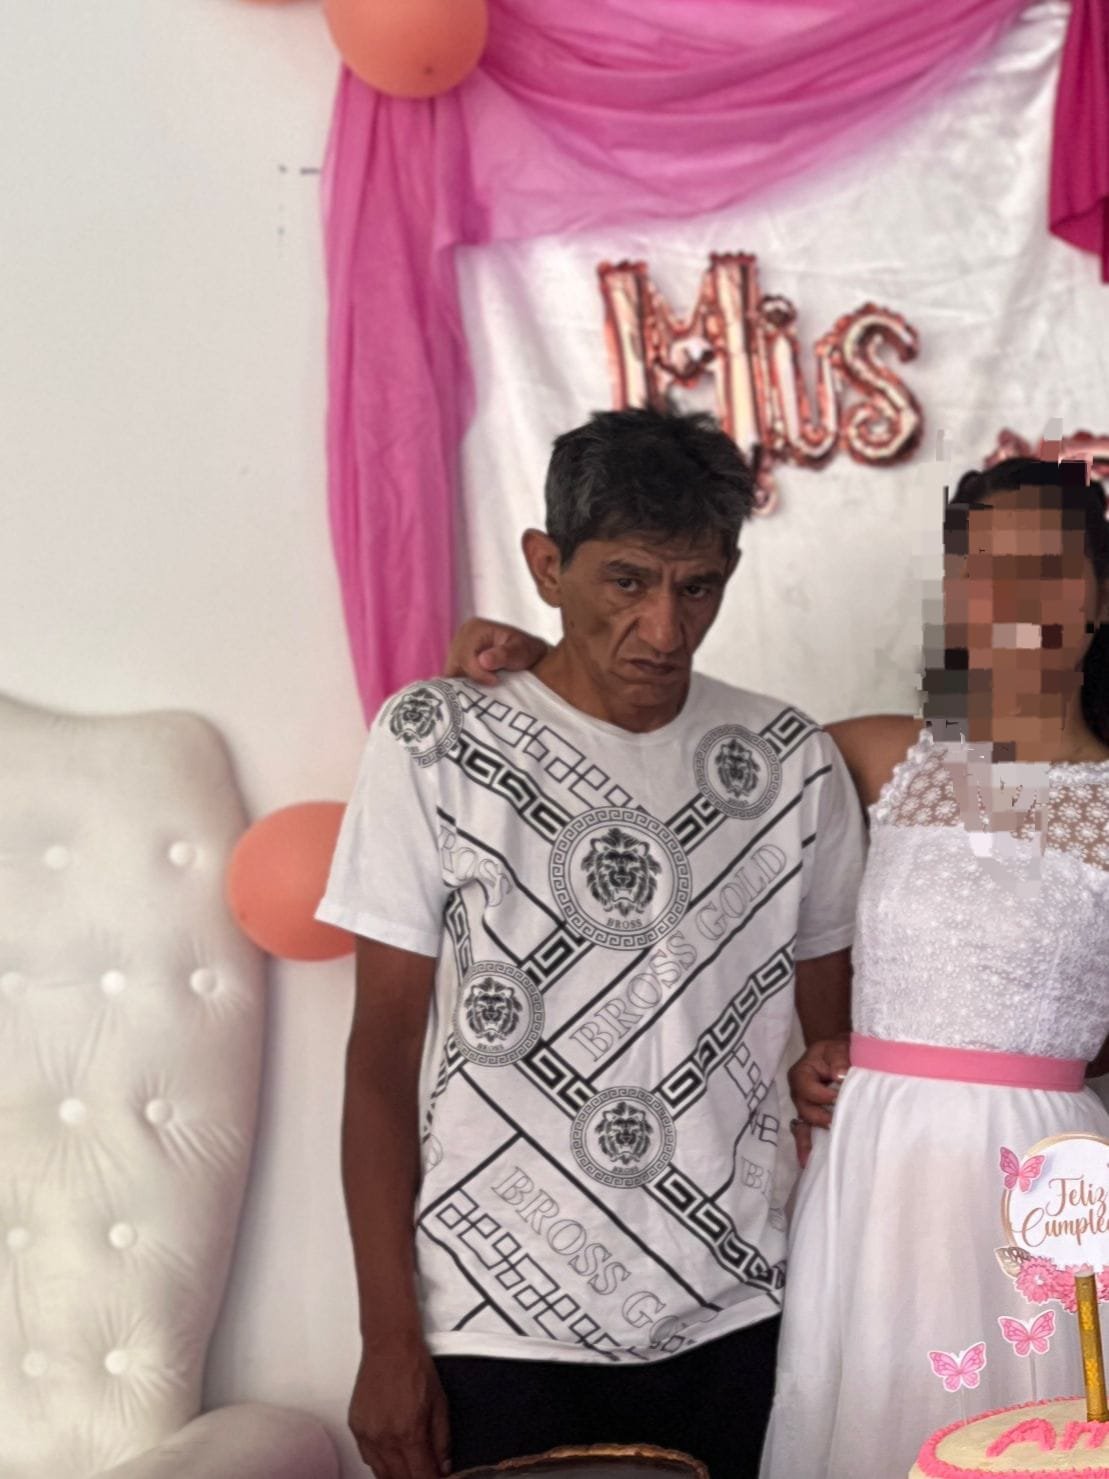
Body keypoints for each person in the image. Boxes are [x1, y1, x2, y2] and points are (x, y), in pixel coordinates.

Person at [446, 456, 1109, 1479]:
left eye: (1048, 568)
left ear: (1098, 593)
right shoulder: (879, 757)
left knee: (1040, 1431)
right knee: (875, 1418)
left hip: (1046, 1176)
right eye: (982, 569)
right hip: (873, 1160)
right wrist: (551, 662)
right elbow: (667, 745)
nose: (1012, 599)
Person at [318, 407, 865, 1479]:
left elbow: (833, 1067)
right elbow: (377, 1059)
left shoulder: (790, 763)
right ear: (546, 565)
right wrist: (387, 1338)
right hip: (494, 1321)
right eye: (626, 581)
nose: (663, 627)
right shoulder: (435, 741)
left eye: (696, 587)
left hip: (742, 1315)